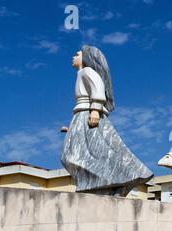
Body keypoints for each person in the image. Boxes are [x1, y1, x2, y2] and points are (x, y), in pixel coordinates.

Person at [61, 45, 153, 196]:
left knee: (72, 155)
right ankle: (97, 184)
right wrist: (72, 128)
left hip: (88, 113)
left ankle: (105, 180)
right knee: (74, 154)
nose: (73, 57)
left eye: (77, 54)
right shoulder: (81, 73)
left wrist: (95, 109)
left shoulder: (87, 71)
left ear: (86, 58)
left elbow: (98, 87)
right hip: (81, 115)